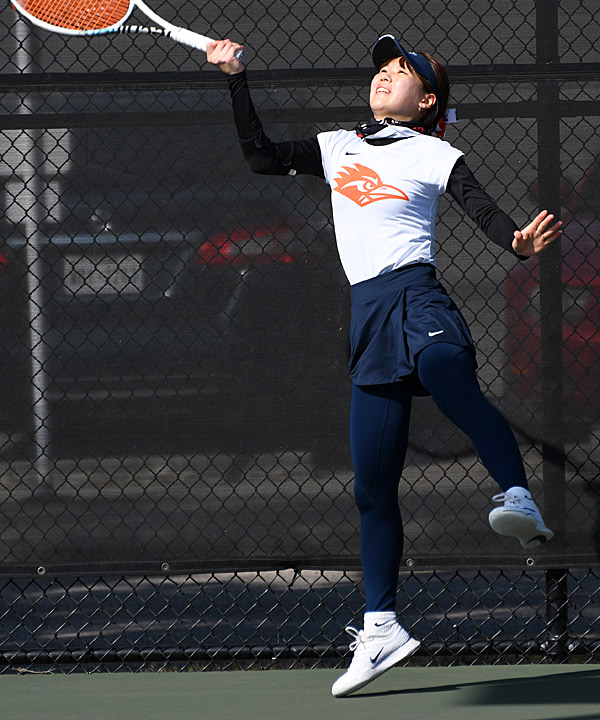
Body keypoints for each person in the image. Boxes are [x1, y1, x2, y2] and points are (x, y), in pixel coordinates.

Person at [206, 34, 562, 698]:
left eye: (400, 74)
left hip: (417, 296)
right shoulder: (338, 145)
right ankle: (381, 627)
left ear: (426, 101)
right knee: (372, 487)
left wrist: (515, 242)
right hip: (368, 316)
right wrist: (235, 78)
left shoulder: (435, 151)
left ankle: (516, 496)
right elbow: (259, 157)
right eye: (381, 70)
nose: (383, 77)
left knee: (450, 382)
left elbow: (482, 209)